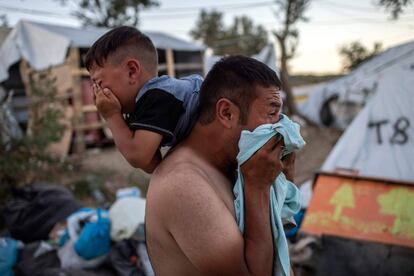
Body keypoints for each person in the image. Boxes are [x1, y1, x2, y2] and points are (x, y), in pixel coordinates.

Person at [145, 55, 296, 276]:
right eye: (272, 114)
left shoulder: (234, 164)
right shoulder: (182, 184)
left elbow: (273, 242)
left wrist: (282, 180)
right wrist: (257, 187)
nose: (280, 127)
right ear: (227, 113)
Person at [85, 26, 202, 173]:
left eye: (98, 83)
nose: (96, 93)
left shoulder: (158, 96)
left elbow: (138, 156)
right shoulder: (141, 105)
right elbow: (152, 164)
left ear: (132, 71)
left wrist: (111, 116)